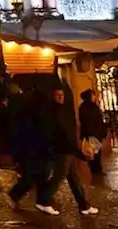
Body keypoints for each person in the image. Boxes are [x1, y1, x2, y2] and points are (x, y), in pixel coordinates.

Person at [37, 87, 97, 216]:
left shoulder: (62, 110)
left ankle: (84, 206)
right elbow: (57, 131)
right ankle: (44, 201)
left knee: (74, 178)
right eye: (58, 95)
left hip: (68, 148)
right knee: (60, 176)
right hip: (62, 149)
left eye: (62, 95)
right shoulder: (51, 112)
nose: (60, 97)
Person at [7, 89, 51, 210]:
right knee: (34, 175)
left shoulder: (27, 112)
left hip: (32, 148)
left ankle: (40, 200)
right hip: (32, 148)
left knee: (39, 175)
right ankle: (16, 194)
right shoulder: (33, 113)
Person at [78, 90, 107, 176]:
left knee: (96, 152)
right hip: (91, 133)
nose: (94, 97)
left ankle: (97, 169)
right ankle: (95, 170)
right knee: (93, 152)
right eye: (93, 95)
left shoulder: (92, 106)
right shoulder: (86, 107)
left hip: (95, 133)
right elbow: (85, 122)